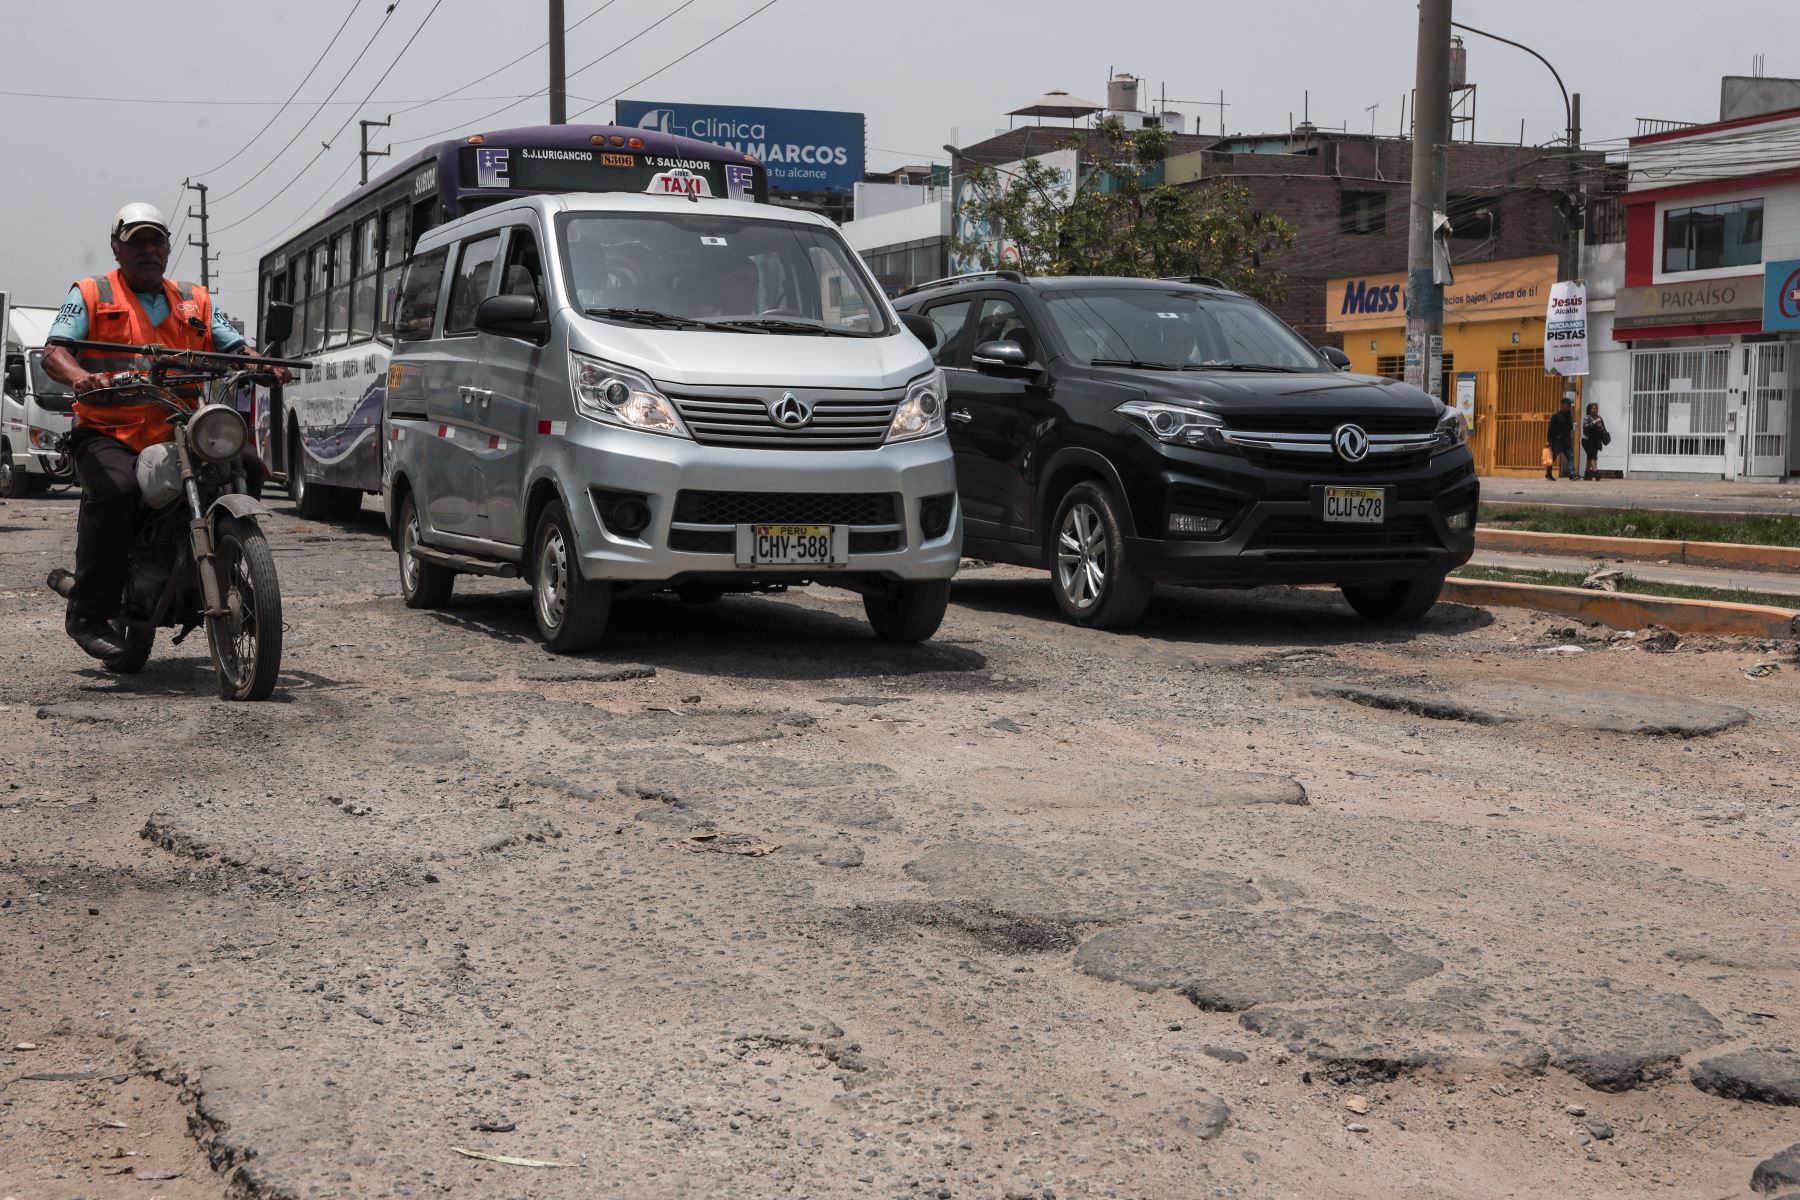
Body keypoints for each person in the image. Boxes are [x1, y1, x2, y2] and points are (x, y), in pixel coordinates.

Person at [40, 202, 288, 660]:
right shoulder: (92, 293)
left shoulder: (194, 299)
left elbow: (234, 345)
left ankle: (229, 568)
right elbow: (54, 351)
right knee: (115, 491)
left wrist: (261, 363)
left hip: (179, 426)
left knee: (248, 464)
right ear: (117, 249)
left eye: (157, 241)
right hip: (108, 430)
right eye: (137, 242)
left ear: (169, 248)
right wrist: (80, 377)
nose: (148, 250)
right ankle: (88, 613)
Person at [1545, 394, 1576, 481]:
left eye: (1570, 404)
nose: (1569, 406)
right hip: (1557, 440)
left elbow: (1569, 427)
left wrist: (1573, 426)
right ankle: (1548, 474)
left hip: (1566, 440)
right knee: (1553, 458)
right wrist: (1548, 441)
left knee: (1570, 456)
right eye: (1567, 404)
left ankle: (1572, 474)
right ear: (1562, 405)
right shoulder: (1556, 416)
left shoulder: (1569, 416)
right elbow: (1550, 429)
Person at [1581, 401, 1611, 480]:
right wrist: (1594, 422)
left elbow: (1603, 428)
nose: (1595, 410)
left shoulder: (1599, 418)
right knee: (1592, 456)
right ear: (1590, 409)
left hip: (1596, 440)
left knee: (1590, 457)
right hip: (1587, 440)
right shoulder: (1587, 417)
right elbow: (1586, 427)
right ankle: (1595, 473)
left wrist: (1602, 429)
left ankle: (1587, 474)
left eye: (1596, 408)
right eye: (1594, 408)